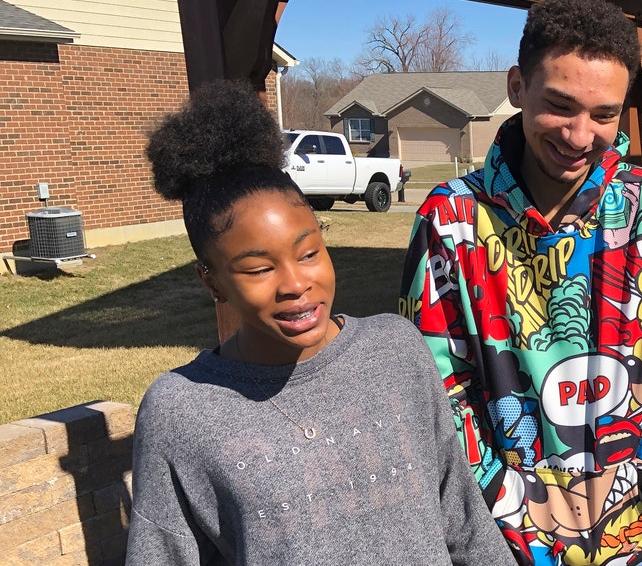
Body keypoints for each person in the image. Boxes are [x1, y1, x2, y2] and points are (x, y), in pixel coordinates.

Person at [399, 0, 642, 566]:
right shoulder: (450, 217)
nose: (579, 135)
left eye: (604, 115)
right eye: (559, 105)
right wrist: (509, 503)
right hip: (504, 542)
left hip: (640, 539)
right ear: (517, 87)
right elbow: (435, 387)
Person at [127, 80, 511, 565]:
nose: (294, 283)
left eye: (308, 252)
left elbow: (462, 518)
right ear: (212, 282)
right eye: (259, 268)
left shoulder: (397, 350)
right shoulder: (180, 411)